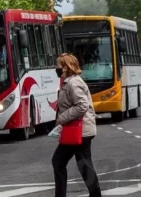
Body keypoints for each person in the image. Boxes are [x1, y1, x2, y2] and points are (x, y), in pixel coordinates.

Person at [52, 53, 102, 197]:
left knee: (59, 162)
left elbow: (82, 106)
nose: (56, 69)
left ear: (66, 67)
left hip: (80, 130)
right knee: (83, 165)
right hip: (80, 130)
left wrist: (62, 118)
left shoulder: (74, 83)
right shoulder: (69, 82)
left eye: (59, 66)